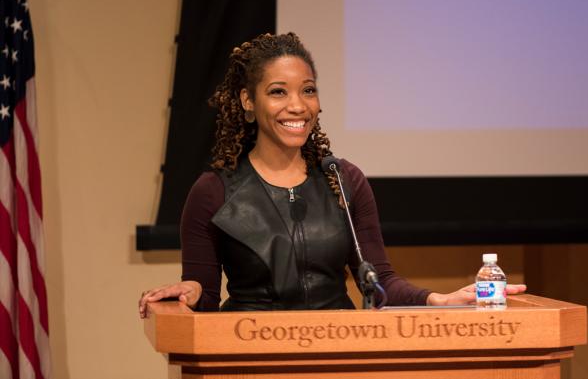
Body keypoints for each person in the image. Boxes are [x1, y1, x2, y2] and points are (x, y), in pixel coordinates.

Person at [138, 33, 525, 317]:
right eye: (278, 92)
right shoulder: (213, 191)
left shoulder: (343, 179)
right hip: (251, 354)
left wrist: (437, 300)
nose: (298, 106)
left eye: (308, 91)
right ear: (247, 101)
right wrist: (187, 291)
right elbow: (204, 296)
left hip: (339, 349)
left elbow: (379, 282)